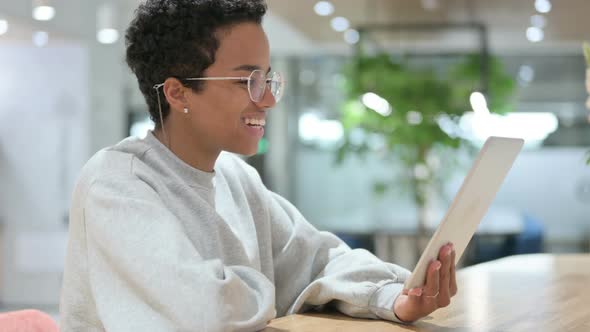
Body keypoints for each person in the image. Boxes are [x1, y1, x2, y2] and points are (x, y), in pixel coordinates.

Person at [59, 0, 457, 331]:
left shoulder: (236, 177)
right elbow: (205, 314)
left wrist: (394, 295)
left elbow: (318, 260)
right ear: (179, 92)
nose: (267, 100)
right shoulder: (115, 185)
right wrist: (279, 286)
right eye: (246, 81)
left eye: (268, 79)